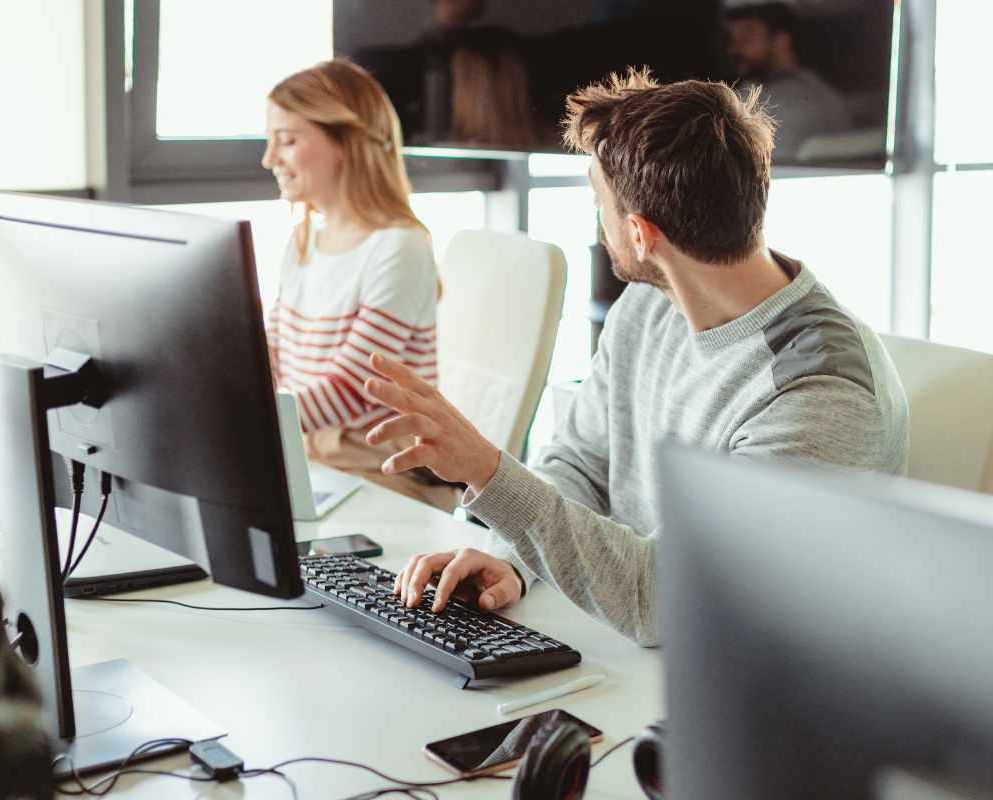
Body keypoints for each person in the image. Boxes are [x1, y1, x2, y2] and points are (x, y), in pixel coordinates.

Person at [361, 68, 908, 646]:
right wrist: (514, 558)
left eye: (598, 201)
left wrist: (486, 472)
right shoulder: (650, 304)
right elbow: (580, 462)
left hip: (759, 680)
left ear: (642, 235)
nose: (598, 222)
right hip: (640, 649)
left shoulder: (818, 396)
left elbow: (663, 601)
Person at [261, 59, 456, 511]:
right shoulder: (304, 239)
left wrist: (250, 424)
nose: (269, 159)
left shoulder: (400, 247)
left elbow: (355, 387)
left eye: (287, 141)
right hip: (314, 460)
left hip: (386, 474)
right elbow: (274, 352)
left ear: (346, 142)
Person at [726, 2, 851, 161]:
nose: (734, 49)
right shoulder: (823, 92)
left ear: (781, 41)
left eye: (747, 38)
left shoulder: (807, 103)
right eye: (732, 40)